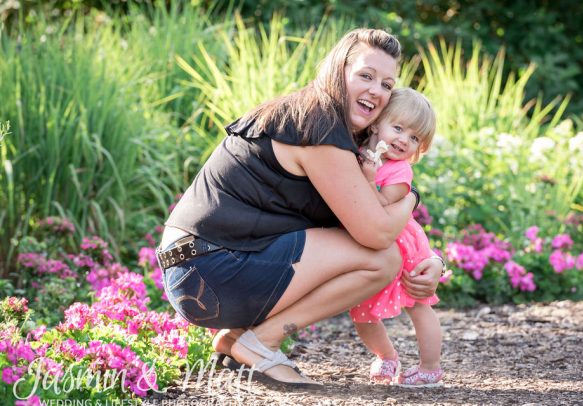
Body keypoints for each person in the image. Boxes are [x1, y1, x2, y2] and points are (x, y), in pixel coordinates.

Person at [157, 28, 443, 388]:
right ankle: (261, 342)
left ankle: (237, 337)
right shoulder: (319, 128)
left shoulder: (327, 124)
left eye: (387, 84)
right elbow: (379, 232)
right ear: (338, 71)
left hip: (198, 271)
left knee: (373, 249)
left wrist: (435, 260)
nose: (376, 91)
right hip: (208, 271)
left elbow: (374, 217)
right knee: (382, 259)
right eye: (366, 76)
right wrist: (412, 196)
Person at [352, 87, 446, 388]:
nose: (404, 139)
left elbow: (383, 204)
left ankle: (430, 367)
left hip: (402, 240)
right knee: (362, 310)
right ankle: (386, 356)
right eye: (398, 127)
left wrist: (368, 179)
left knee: (419, 303)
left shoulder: (399, 171)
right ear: (377, 123)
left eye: (415, 137)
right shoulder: (358, 149)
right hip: (369, 243)